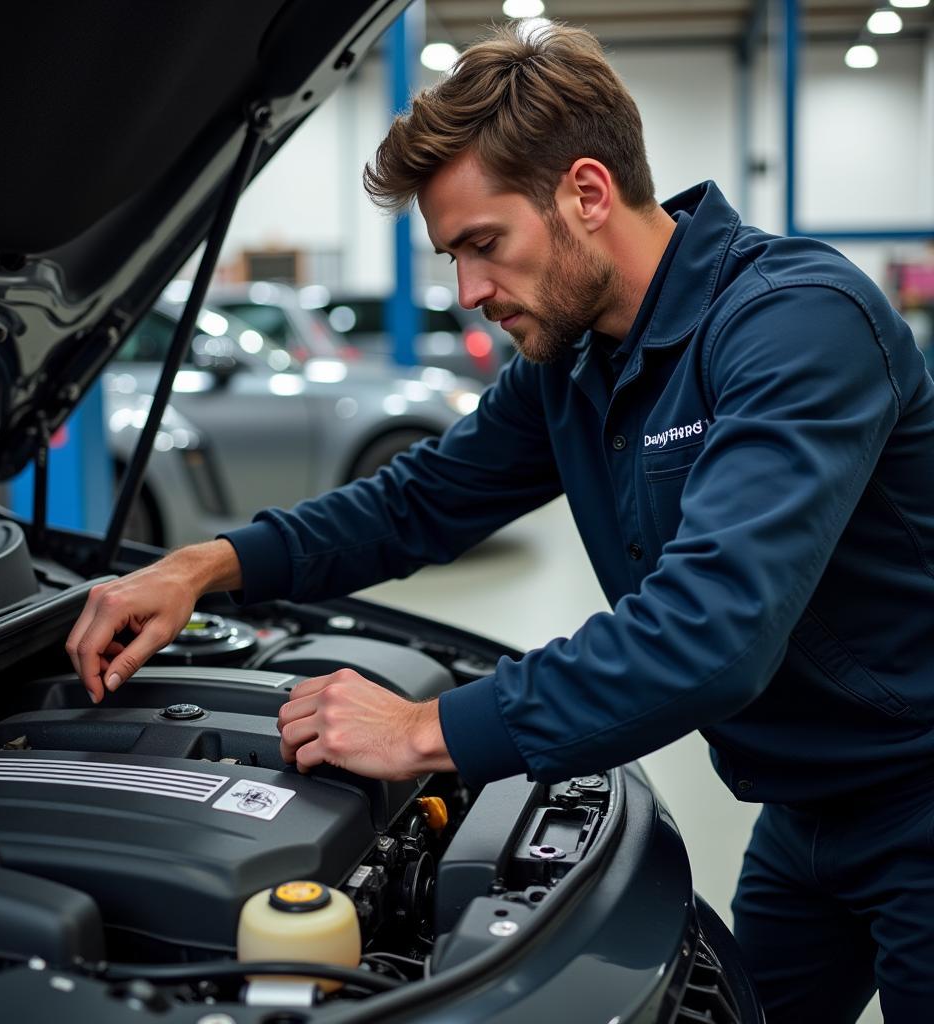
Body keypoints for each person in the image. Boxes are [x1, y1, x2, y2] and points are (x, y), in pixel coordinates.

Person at [66, 23, 934, 1022]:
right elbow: (417, 500)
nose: (470, 293)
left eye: (485, 244)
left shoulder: (796, 324)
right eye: (453, 257)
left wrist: (426, 729)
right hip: (798, 812)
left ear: (587, 193)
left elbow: (712, 632)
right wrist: (204, 565)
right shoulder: (571, 364)